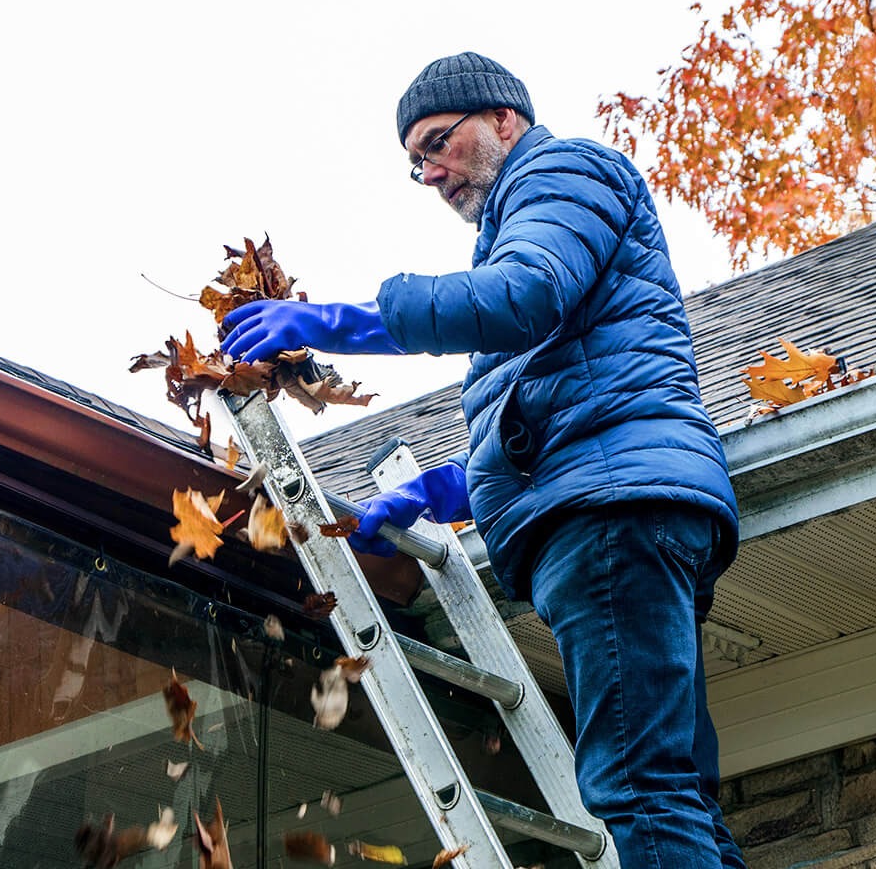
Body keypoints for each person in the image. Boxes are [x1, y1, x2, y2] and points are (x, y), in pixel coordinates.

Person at [221, 52, 744, 869]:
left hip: (607, 516)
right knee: (675, 795)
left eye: (438, 143)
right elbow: (568, 400)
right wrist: (446, 487)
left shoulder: (564, 171)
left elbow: (520, 296)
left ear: (504, 119)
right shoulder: (532, 223)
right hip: (619, 504)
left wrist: (336, 322)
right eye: (415, 163)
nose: (429, 173)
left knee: (640, 788)